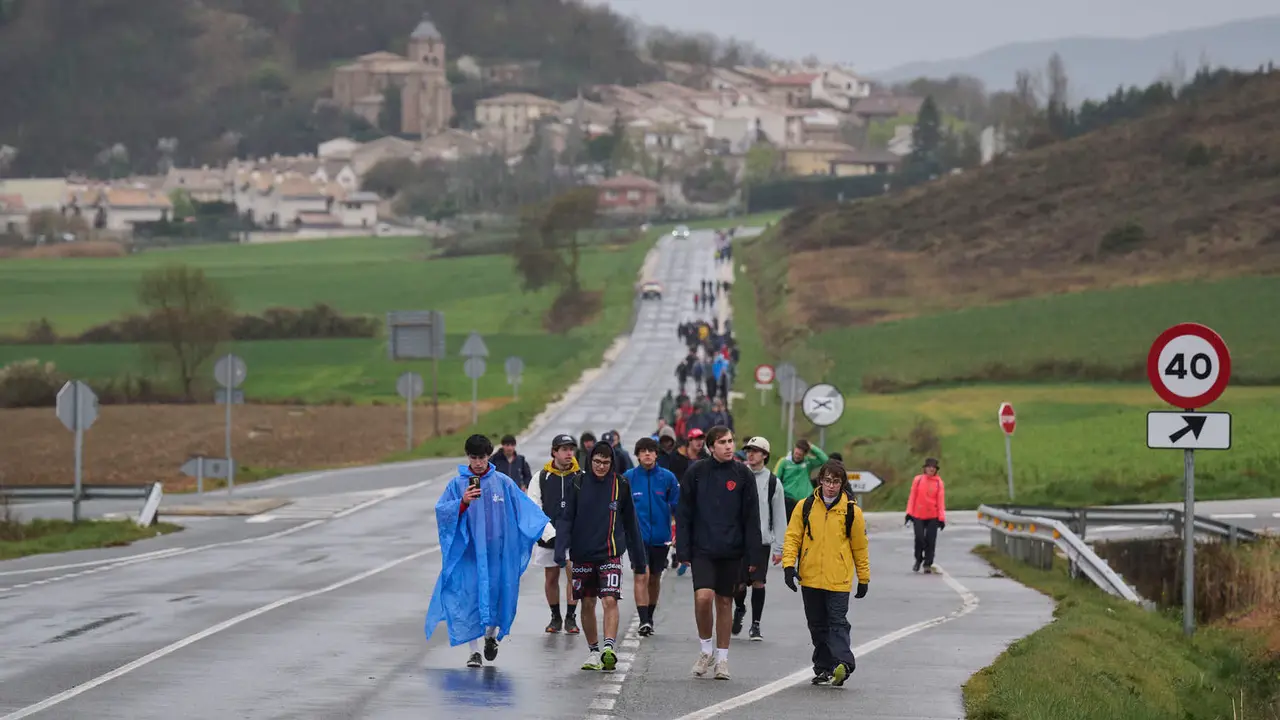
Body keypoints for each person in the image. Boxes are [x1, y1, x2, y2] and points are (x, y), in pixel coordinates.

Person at [425, 434, 550, 668]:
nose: (478, 463)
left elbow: (524, 508)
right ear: (467, 457)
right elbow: (443, 512)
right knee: (469, 598)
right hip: (469, 554)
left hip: (497, 553)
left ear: (488, 456)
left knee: (498, 595)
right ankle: (473, 652)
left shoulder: (502, 482)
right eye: (473, 458)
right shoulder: (457, 484)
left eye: (482, 457)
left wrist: (546, 529)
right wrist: (462, 503)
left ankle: (491, 636)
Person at [676, 425, 761, 681]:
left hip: (731, 550)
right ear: (711, 447)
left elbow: (751, 518)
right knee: (703, 598)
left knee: (724, 602)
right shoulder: (697, 473)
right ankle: (705, 650)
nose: (728, 446)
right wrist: (683, 548)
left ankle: (722, 659)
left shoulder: (743, 474)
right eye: (722, 442)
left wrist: (753, 556)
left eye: (730, 441)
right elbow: (684, 513)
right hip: (703, 548)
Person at [555, 442, 648, 673]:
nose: (601, 466)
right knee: (587, 603)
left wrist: (639, 558)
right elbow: (565, 519)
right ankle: (594, 651)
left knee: (610, 600)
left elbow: (631, 523)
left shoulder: (621, 485)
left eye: (606, 462)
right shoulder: (577, 483)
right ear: (590, 460)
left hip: (610, 554)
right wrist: (560, 549)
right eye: (597, 461)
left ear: (612, 463)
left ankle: (609, 648)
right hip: (582, 555)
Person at [781, 459, 870, 687]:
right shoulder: (805, 506)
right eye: (827, 480)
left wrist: (863, 578)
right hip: (810, 577)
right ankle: (824, 668)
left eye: (836, 482)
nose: (831, 486)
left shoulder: (852, 511)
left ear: (842, 484)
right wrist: (788, 566)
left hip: (838, 579)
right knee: (817, 624)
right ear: (820, 480)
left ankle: (844, 664)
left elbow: (860, 547)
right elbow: (793, 537)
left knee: (837, 622)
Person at [623, 436, 680, 637]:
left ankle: (650, 616)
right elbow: (618, 508)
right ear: (637, 455)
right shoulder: (628, 478)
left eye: (651, 450)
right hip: (636, 538)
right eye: (643, 451)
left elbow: (677, 508)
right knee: (642, 574)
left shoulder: (668, 478)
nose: (647, 454)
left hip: (661, 537)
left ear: (656, 454)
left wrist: (678, 533)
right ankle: (644, 620)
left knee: (654, 577)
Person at [528, 433, 583, 634]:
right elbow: (534, 506)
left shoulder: (581, 476)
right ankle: (555, 616)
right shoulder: (541, 476)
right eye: (564, 449)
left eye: (571, 449)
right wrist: (549, 532)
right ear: (554, 452)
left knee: (573, 575)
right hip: (549, 535)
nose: (569, 453)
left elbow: (586, 506)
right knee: (551, 577)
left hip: (573, 536)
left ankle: (570, 617)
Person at [732, 437, 786, 642]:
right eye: (748, 451)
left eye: (755, 451)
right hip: (739, 540)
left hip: (762, 540)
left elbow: (779, 516)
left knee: (758, 582)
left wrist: (780, 548)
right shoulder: (738, 476)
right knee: (737, 585)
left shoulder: (773, 482)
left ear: (765, 455)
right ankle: (740, 608)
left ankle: (756, 625)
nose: (751, 454)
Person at [905, 457, 947, 573]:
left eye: (933, 468)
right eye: (929, 467)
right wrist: (909, 513)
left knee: (930, 540)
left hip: (932, 515)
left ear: (936, 470)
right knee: (919, 539)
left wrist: (941, 518)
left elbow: (940, 501)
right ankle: (918, 559)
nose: (931, 469)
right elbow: (912, 497)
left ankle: (927, 563)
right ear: (925, 469)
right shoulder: (917, 480)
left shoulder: (939, 483)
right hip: (918, 514)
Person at [775, 439, 829, 521]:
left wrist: (811, 447)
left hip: (806, 501)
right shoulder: (784, 462)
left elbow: (825, 460)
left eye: (800, 455)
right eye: (796, 453)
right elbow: (775, 479)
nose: (797, 456)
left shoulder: (808, 462)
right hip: (788, 501)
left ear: (805, 454)